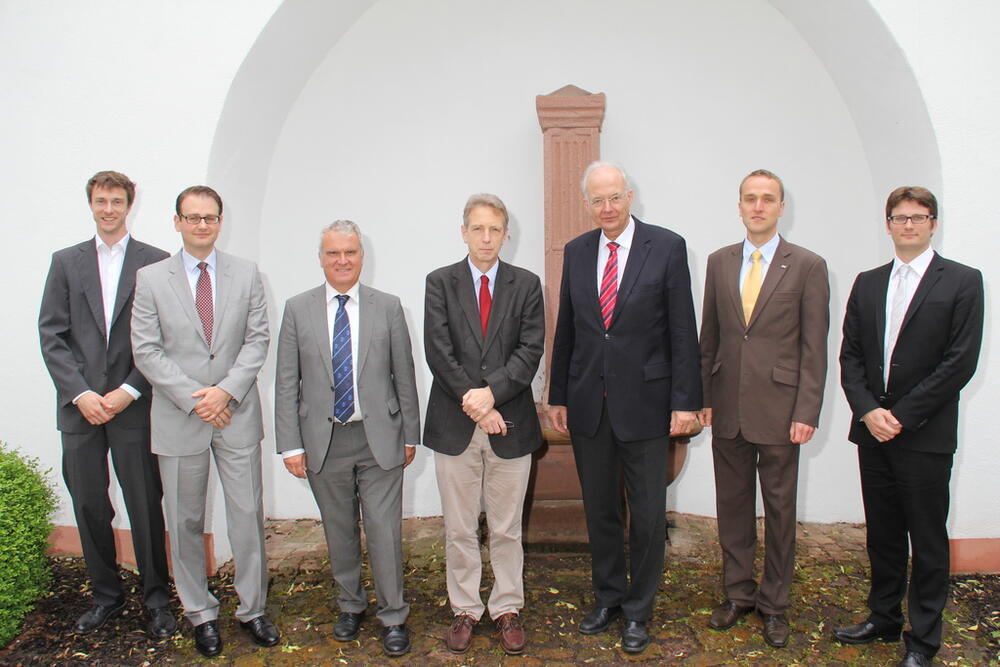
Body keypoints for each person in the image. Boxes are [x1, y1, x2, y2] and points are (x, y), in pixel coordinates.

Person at [548, 161, 701, 654]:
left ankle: (639, 609)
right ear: (587, 203)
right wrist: (558, 396)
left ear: (630, 196)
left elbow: (683, 329)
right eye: (598, 200)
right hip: (591, 404)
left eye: (614, 197)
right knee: (600, 510)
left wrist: (686, 403)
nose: (607, 208)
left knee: (649, 513)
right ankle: (609, 597)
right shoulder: (577, 251)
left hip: (649, 405)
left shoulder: (668, 247)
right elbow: (567, 328)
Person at [835, 186, 983, 667]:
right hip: (872, 432)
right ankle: (883, 617)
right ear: (888, 224)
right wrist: (867, 411)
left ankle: (923, 639)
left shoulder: (962, 281)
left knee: (927, 538)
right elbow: (851, 356)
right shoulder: (868, 282)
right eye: (900, 217)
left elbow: (959, 363)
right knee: (883, 533)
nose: (909, 225)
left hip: (924, 434)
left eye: (919, 217)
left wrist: (901, 415)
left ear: (933, 223)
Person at [131, 185, 277, 657]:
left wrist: (225, 392)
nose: (201, 225)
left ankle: (253, 609)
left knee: (247, 516)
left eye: (209, 217)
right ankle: (201, 612)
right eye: (191, 218)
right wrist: (196, 401)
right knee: (186, 518)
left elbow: (257, 340)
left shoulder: (247, 274)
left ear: (220, 221)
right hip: (180, 416)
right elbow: (147, 350)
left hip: (235, 413)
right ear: (177, 222)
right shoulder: (151, 279)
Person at [274, 220, 420, 658]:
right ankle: (351, 604)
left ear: (362, 256)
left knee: (383, 530)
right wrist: (291, 444)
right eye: (334, 253)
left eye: (351, 252)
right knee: (338, 531)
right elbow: (286, 382)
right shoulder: (297, 309)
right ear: (321, 258)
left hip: (379, 439)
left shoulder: (388, 307)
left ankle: (393, 614)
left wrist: (411, 433)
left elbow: (404, 376)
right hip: (324, 441)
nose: (342, 260)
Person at [38, 171, 174, 638]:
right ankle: (105, 596)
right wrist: (80, 393)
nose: (109, 208)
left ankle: (157, 598)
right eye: (101, 200)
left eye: (117, 200)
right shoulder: (65, 262)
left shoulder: (155, 263)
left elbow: (163, 338)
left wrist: (129, 389)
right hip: (80, 408)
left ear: (129, 205)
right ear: (90, 204)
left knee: (144, 504)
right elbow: (52, 335)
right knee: (90, 505)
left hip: (133, 405)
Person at [698, 169, 830, 648]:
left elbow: (815, 346)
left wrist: (807, 410)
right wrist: (704, 401)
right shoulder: (718, 262)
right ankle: (737, 592)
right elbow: (708, 337)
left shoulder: (808, 266)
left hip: (781, 409)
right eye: (750, 199)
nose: (758, 206)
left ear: (781, 208)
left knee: (778, 509)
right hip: (728, 407)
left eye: (767, 199)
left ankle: (775, 603)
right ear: (738, 206)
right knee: (732, 506)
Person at [423, 194, 545, 655]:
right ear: (464, 232)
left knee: (507, 526)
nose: (487, 237)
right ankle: (465, 608)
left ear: (506, 233)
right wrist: (478, 405)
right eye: (478, 228)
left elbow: (530, 350)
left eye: (495, 229)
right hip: (455, 425)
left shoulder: (526, 284)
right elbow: (439, 352)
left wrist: (493, 393)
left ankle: (507, 606)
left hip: (510, 422)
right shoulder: (440, 282)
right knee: (458, 526)